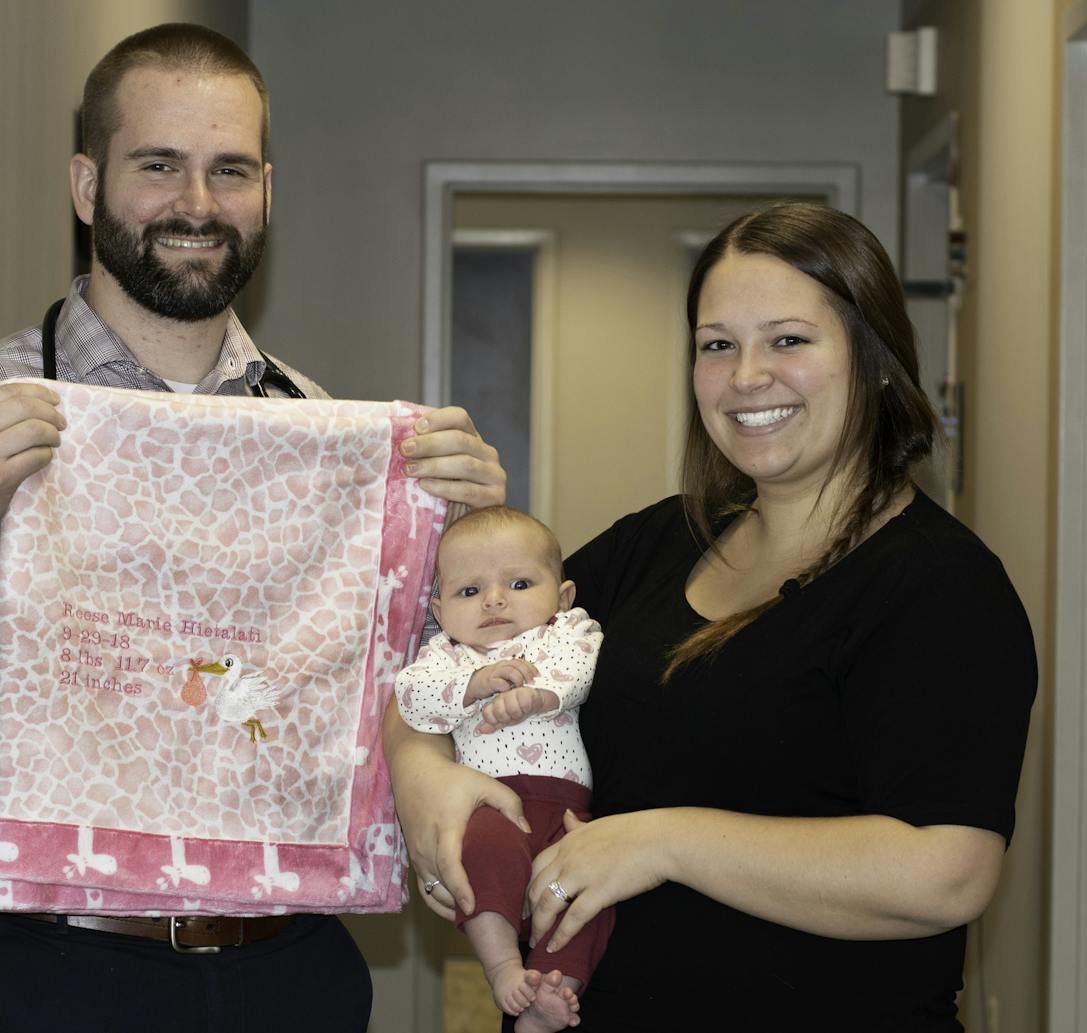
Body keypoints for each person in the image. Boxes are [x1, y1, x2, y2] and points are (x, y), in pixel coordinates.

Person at [0, 23, 504, 1033]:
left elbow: (399, 733)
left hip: (291, 976)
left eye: (229, 170)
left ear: (266, 189)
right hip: (50, 982)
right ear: (86, 186)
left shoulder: (319, 431)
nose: (196, 205)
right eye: (158, 166)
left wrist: (473, 562)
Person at [385, 201, 1037, 1031]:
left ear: (873, 359)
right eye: (717, 344)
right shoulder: (656, 543)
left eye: (788, 339)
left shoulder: (941, 588)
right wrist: (428, 782)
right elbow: (440, 676)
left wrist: (662, 842)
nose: (746, 376)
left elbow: (948, 871)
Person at [396, 506, 607, 1033]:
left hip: (566, 809)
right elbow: (412, 700)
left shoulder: (564, 633)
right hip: (489, 801)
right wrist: (473, 684)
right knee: (481, 857)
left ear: (562, 596)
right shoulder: (446, 655)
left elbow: (578, 673)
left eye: (517, 582)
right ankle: (502, 968)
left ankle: (553, 989)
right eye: (470, 592)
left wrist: (539, 694)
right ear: (441, 613)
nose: (494, 599)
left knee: (590, 890)